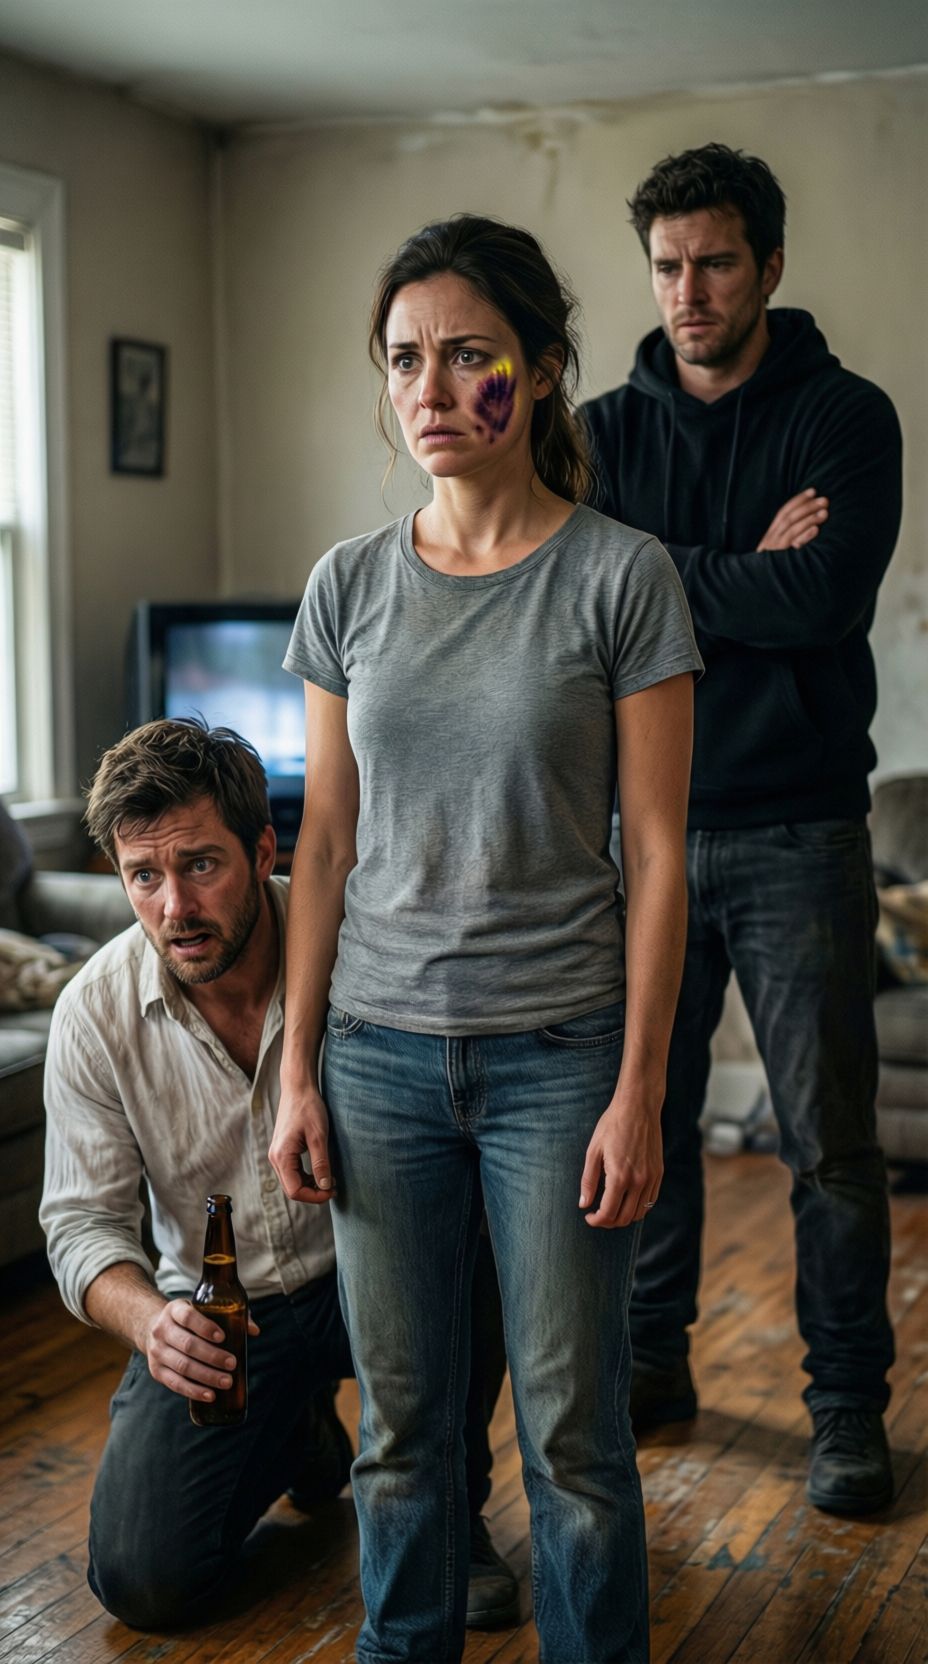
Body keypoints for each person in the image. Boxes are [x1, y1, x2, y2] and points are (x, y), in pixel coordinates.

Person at [269, 213, 703, 1664]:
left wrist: (640, 1089)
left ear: (543, 367)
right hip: (376, 1061)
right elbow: (323, 847)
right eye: (405, 360)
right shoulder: (347, 585)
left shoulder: (622, 578)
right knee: (399, 1435)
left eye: (470, 356)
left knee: (575, 1441)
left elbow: (657, 855)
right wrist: (296, 1069)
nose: (433, 390)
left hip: (559, 1062)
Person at [582, 142, 902, 1516]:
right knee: (640, 1114)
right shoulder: (599, 432)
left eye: (715, 262)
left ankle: (846, 1410)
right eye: (667, 265)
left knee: (826, 1143)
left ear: (769, 264)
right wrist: (735, 574)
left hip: (798, 830)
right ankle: (653, 1362)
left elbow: (821, 599)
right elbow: (585, 613)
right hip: (639, 829)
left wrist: (662, 574)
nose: (689, 291)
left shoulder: (847, 417)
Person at [40, 717, 512, 1632]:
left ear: (263, 851)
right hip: (225, 1314)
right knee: (144, 1582)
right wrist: (151, 1323)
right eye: (144, 876)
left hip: (380, 1274)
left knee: (478, 1252)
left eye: (200, 865)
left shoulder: (367, 947)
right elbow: (79, 1224)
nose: (175, 908)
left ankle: (455, 1514)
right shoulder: (92, 1012)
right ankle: (298, 1427)